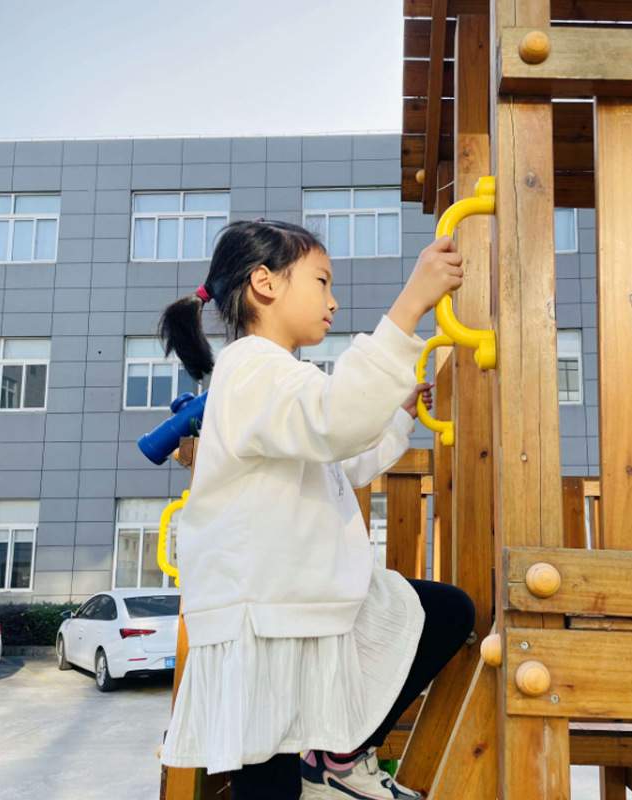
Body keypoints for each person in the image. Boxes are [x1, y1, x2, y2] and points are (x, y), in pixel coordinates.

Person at [156, 220, 476, 800]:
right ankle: (335, 760)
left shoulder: (276, 373)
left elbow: (340, 456)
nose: (333, 301)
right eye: (322, 281)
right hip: (268, 614)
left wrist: (398, 414)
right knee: (268, 777)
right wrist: (410, 305)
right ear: (265, 284)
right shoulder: (252, 367)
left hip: (301, 603)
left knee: (445, 612)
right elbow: (335, 421)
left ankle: (336, 758)